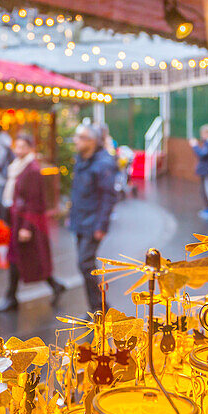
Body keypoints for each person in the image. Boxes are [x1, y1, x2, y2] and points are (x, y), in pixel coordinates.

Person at [0, 134, 65, 312]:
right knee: (22, 258)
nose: (18, 150)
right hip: (18, 219)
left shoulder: (31, 170)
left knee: (21, 258)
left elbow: (34, 200)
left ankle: (12, 297)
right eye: (16, 146)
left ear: (30, 148)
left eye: (22, 146)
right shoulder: (17, 167)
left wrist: (26, 228)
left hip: (27, 222)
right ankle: (51, 285)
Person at [69, 123, 118, 311]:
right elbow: (78, 191)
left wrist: (101, 225)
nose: (76, 141)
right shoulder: (82, 159)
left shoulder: (103, 163)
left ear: (91, 141)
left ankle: (100, 308)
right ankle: (97, 308)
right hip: (80, 219)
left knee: (85, 263)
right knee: (86, 265)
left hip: (93, 222)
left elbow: (108, 196)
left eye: (80, 137)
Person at [189, 124, 208, 221]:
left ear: (207, 133)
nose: (201, 136)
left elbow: (202, 154)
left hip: (207, 171)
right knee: (204, 190)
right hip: (206, 170)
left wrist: (195, 146)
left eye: (202, 133)